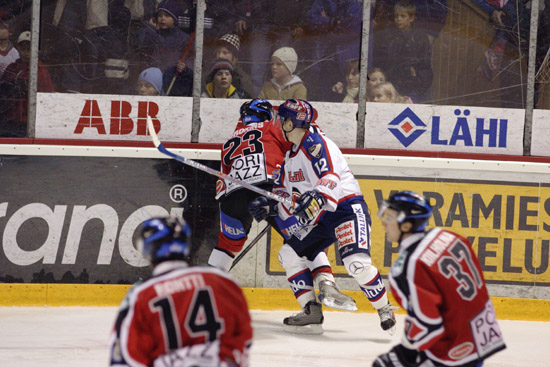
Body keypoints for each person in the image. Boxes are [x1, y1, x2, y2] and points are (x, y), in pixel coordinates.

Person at [249, 99, 396, 335]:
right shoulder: (290, 156)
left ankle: (384, 308)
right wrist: (269, 206)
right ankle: (311, 312)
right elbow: (282, 193)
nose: (277, 123)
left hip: (346, 207)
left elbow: (330, 176)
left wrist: (317, 195)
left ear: (290, 122)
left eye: (281, 119)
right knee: (289, 254)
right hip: (321, 216)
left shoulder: (315, 142)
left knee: (356, 264)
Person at [208, 98, 357, 316]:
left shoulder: (230, 140)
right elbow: (305, 139)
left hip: (231, 196)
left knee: (227, 246)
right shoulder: (273, 126)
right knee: (304, 239)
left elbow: (221, 182)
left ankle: (202, 294)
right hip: (268, 189)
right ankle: (325, 283)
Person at [373, 191, 506, 367]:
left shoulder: (408, 266)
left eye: (389, 217)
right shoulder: (450, 237)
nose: (383, 222)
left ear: (405, 226)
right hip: (483, 336)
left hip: (453, 349)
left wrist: (404, 353)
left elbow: (428, 324)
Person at [109, 216, 253, 367]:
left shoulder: (142, 293)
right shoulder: (222, 281)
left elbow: (125, 357)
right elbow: (244, 336)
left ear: (148, 250)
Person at [372, 0, 433, 103]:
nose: (398, 19)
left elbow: (424, 65)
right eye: (396, 16)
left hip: (412, 86)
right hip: (392, 83)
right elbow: (382, 61)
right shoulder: (388, 36)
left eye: (403, 16)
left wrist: (419, 86)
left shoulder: (419, 37)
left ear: (411, 18)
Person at [0, 31, 53, 137]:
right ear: (18, 49)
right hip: (10, 119)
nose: (26, 52)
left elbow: (47, 97)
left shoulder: (40, 70)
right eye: (23, 48)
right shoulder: (12, 67)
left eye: (29, 48)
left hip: (28, 121)